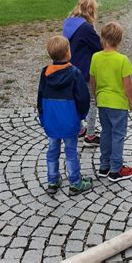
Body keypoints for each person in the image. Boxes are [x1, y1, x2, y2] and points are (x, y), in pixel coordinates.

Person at [37, 35, 92, 196]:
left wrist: (43, 117)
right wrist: (82, 115)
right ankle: (75, 182)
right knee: (71, 151)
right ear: (68, 52)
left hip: (51, 120)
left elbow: (40, 97)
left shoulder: (45, 73)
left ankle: (52, 180)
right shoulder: (75, 73)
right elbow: (83, 97)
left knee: (52, 150)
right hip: (70, 120)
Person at [89, 21, 132, 182]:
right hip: (118, 104)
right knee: (118, 136)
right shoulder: (122, 60)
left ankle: (104, 166)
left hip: (102, 102)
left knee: (106, 133)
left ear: (103, 38)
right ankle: (116, 169)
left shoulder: (95, 57)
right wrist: (131, 102)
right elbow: (127, 84)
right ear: (119, 40)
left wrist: (96, 96)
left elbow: (92, 80)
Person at [63, 0, 102, 147]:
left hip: (71, 68)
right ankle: (90, 136)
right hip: (85, 70)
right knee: (92, 101)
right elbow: (98, 46)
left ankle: (80, 129)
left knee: (76, 100)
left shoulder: (69, 23)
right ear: (91, 10)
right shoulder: (86, 28)